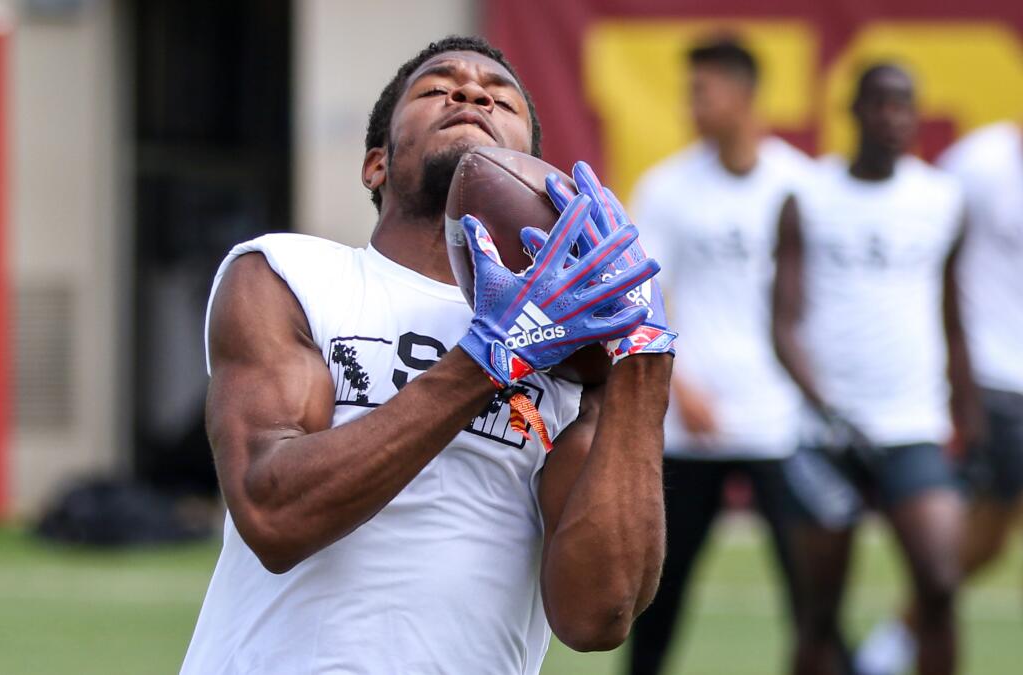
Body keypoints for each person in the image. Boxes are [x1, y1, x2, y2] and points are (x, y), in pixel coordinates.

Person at [179, 36, 678, 674]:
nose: (471, 93)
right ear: (375, 165)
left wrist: (642, 366)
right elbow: (275, 516)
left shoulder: (573, 350)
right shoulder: (290, 273)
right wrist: (486, 358)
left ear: (530, 172)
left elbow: (595, 617)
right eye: (437, 89)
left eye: (501, 99)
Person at [771, 63, 977, 675]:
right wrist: (826, 408)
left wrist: (967, 411)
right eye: (882, 105)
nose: (895, 118)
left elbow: (952, 314)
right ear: (854, 111)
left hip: (912, 424)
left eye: (905, 106)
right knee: (819, 612)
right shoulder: (807, 196)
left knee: (940, 582)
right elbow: (782, 324)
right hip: (828, 434)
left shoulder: (940, 198)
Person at [623, 37, 810, 675]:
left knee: (813, 593)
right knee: (660, 591)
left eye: (702, 90)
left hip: (783, 422)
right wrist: (678, 386)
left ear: (744, 95)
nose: (691, 103)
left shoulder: (801, 185)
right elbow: (638, 299)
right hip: (690, 422)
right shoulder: (668, 188)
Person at [854, 118, 1023, 675]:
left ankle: (894, 640)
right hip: (996, 379)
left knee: (990, 542)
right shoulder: (980, 163)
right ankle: (899, 638)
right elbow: (929, 238)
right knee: (985, 536)